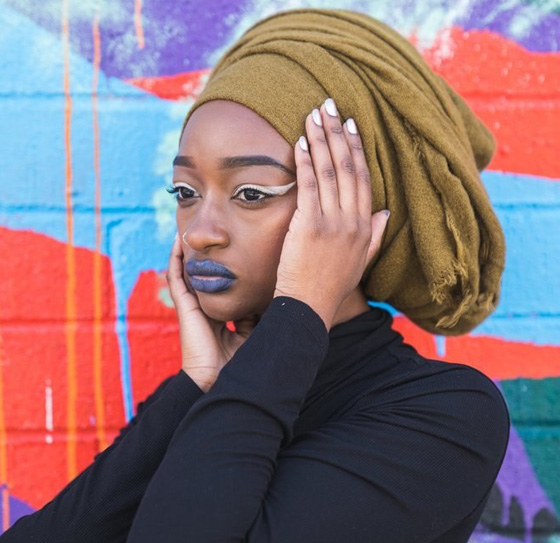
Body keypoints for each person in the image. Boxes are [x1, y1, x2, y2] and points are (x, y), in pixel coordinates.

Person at [2, 8, 510, 543]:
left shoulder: (446, 415)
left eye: (250, 193)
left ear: (354, 212)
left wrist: (301, 310)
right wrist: (196, 386)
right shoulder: (212, 392)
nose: (199, 232)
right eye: (185, 192)